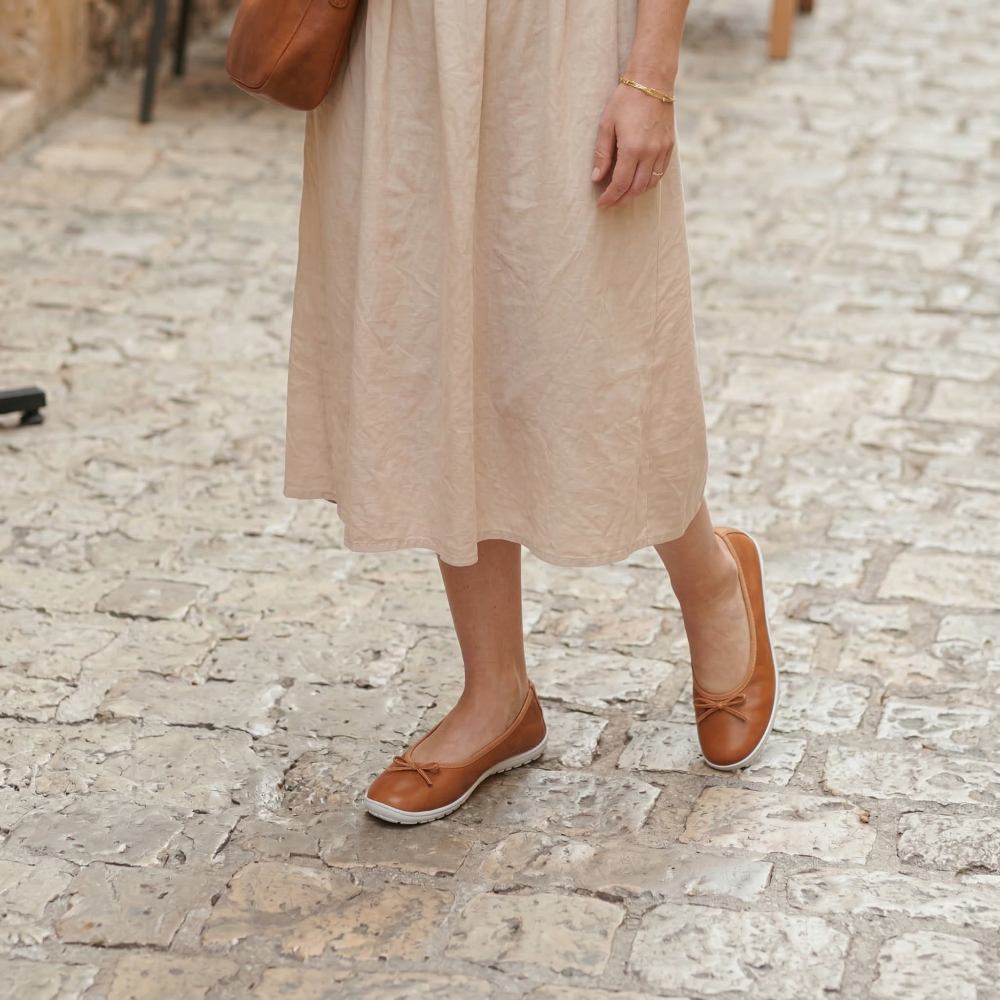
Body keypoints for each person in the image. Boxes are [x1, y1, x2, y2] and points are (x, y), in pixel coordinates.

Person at [284, 0, 779, 825]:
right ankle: (496, 694)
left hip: (570, 41)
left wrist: (651, 75)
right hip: (405, 45)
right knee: (440, 344)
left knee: (601, 342)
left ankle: (713, 581)